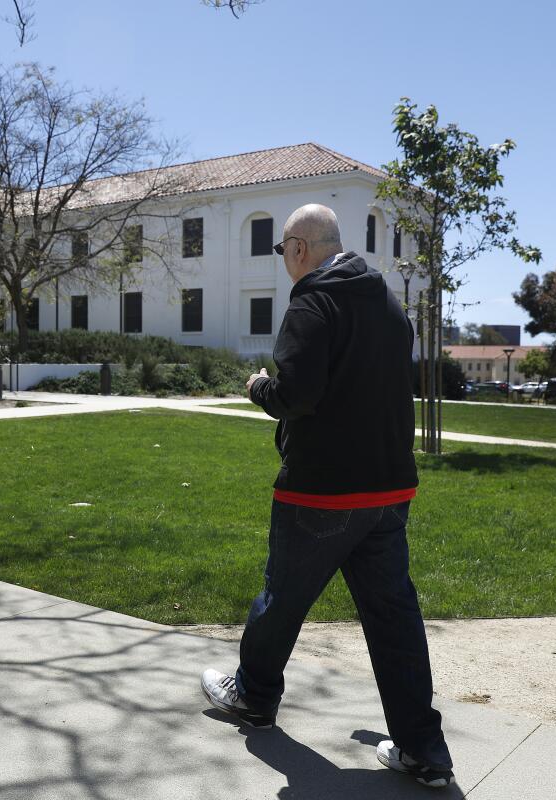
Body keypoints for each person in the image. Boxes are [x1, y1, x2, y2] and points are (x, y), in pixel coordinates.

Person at [200, 204, 454, 789]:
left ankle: (254, 698)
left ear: (297, 249)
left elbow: (297, 394)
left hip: (322, 494)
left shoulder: (313, 300)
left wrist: (260, 386)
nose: (285, 262)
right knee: (394, 620)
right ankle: (423, 750)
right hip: (389, 490)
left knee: (280, 600)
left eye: (283, 251)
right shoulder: (390, 306)